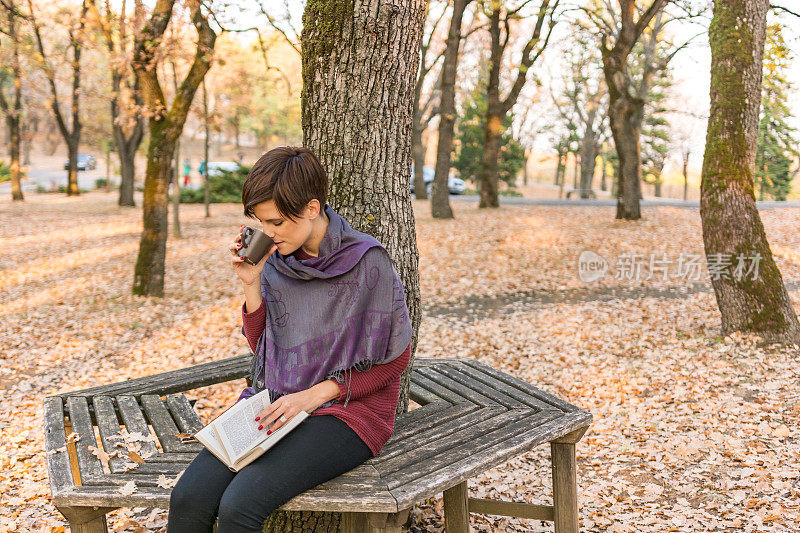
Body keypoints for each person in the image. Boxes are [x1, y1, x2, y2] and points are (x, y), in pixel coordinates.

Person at [167, 146, 414, 533]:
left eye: (278, 222)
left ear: (312, 209)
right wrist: (252, 285)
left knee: (239, 505)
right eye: (262, 222)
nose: (269, 233)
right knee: (188, 498)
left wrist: (315, 395)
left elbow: (397, 358)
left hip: (349, 411)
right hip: (277, 400)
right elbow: (263, 349)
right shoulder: (277, 261)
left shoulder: (368, 262)